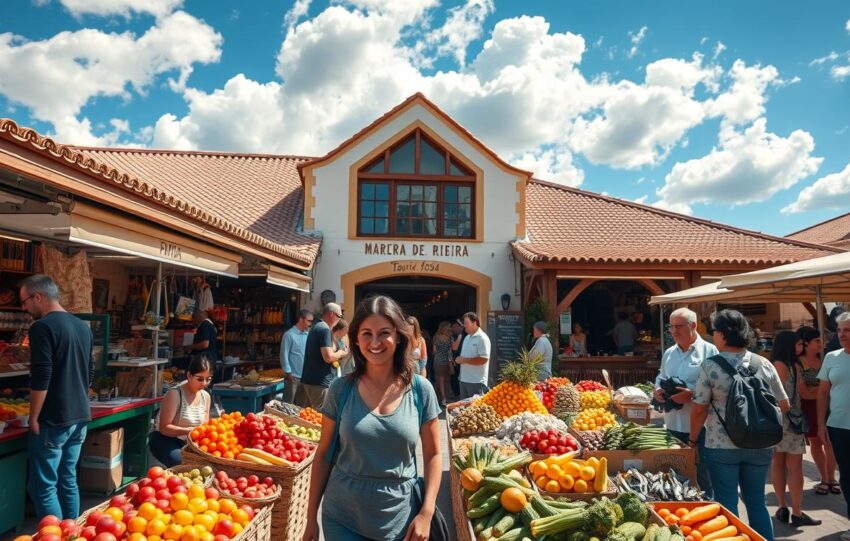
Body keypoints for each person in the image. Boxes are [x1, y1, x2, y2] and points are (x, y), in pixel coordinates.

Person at [303, 295, 441, 541]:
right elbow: (323, 454)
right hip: (341, 517)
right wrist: (310, 516)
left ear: (398, 337)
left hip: (400, 519)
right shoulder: (340, 389)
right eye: (366, 333)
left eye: (384, 332)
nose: (375, 342)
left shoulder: (421, 390)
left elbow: (433, 454)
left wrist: (426, 512)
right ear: (355, 338)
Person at [690, 309, 790, 541]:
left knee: (726, 504)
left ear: (723, 334)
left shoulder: (710, 366)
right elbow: (783, 404)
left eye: (714, 331)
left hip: (721, 445)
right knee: (756, 502)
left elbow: (699, 409)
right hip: (761, 444)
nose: (712, 336)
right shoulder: (763, 363)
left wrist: (693, 439)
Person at [21, 274, 94, 520]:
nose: (24, 307)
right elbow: (89, 372)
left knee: (44, 487)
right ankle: (73, 532)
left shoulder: (41, 327)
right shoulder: (82, 327)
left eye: (25, 301)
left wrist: (34, 416)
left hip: (53, 419)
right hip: (80, 415)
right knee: (68, 480)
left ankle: (55, 536)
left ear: (38, 297)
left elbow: (42, 375)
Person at [654, 307, 717, 499]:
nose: (673, 331)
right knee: (676, 473)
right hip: (673, 423)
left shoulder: (709, 351)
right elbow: (661, 376)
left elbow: (717, 387)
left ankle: (708, 506)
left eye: (678, 327)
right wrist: (657, 390)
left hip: (701, 426)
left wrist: (692, 394)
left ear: (693, 325)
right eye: (671, 327)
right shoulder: (670, 353)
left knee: (703, 473)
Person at [769, 331, 821, 526]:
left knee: (777, 464)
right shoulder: (794, 366)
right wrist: (824, 390)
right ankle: (797, 512)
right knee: (795, 468)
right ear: (790, 345)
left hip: (775, 422)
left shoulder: (773, 366)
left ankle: (782, 507)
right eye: (799, 344)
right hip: (792, 421)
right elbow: (804, 393)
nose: (801, 348)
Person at [817, 311, 850, 541]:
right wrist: (820, 424)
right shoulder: (832, 357)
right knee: (847, 477)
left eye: (847, 330)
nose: (842, 334)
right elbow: (823, 393)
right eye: (839, 330)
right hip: (838, 426)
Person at [796, 325, 839, 495]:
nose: (821, 343)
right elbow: (804, 393)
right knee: (816, 442)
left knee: (830, 442)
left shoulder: (827, 358)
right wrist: (824, 391)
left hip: (831, 407)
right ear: (806, 343)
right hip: (809, 408)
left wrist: (821, 391)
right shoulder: (798, 363)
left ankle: (831, 478)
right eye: (816, 340)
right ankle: (824, 478)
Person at [149, 356, 212, 467]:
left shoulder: (206, 396)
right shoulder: (175, 394)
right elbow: (164, 428)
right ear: (189, 375)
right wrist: (189, 430)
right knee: (185, 464)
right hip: (166, 440)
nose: (204, 383)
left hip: (191, 443)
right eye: (200, 379)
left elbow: (205, 427)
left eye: (208, 379)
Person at [299, 303, 348, 408]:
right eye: (339, 316)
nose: (339, 320)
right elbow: (328, 357)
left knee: (308, 418)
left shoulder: (317, 326)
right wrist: (341, 353)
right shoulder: (324, 329)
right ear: (331, 314)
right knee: (320, 418)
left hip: (311, 381)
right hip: (319, 383)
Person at [455, 312, 491, 399]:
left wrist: (464, 360)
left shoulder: (482, 338)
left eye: (466, 323)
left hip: (476, 382)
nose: (464, 325)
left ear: (474, 323)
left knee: (475, 409)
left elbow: (484, 359)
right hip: (464, 380)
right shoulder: (467, 337)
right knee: (464, 409)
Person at [280, 309, 313, 404]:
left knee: (302, 406)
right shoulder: (289, 335)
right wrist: (288, 372)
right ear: (301, 319)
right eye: (309, 321)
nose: (310, 324)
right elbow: (284, 354)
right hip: (292, 376)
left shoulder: (308, 335)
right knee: (287, 404)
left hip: (305, 377)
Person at [432, 321, 454, 406]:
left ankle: (442, 398)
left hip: (438, 361)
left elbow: (434, 351)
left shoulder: (437, 337)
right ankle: (445, 398)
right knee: (446, 380)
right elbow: (450, 351)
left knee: (440, 380)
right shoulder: (450, 338)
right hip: (447, 362)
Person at [449, 320, 465, 398]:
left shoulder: (465, 334)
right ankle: (457, 394)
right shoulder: (455, 335)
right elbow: (454, 348)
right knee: (454, 378)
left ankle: (459, 394)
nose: (452, 329)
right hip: (456, 361)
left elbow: (454, 348)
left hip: (463, 361)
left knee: (457, 378)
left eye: (454, 327)